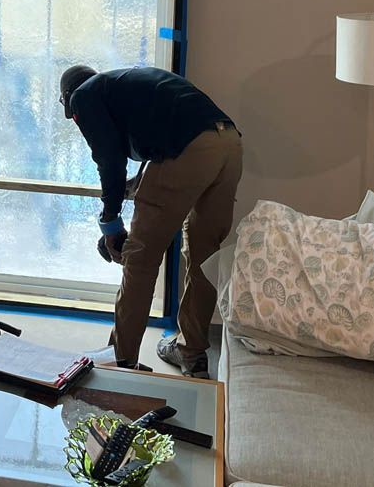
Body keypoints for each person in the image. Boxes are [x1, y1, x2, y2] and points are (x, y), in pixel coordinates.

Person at [59, 64, 241, 378]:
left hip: (187, 147)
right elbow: (154, 144)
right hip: (229, 144)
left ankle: (121, 361)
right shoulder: (125, 84)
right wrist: (134, 187)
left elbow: (109, 159)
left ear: (69, 99)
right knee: (205, 257)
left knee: (140, 260)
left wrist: (110, 223)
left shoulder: (83, 96)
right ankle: (192, 352)